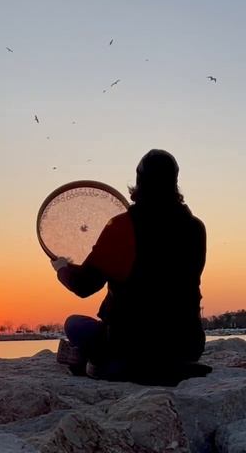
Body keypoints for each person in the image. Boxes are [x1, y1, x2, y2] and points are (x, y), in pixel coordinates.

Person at [51, 149, 212, 384]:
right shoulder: (196, 227)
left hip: (129, 346)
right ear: (175, 183)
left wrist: (62, 268)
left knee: (74, 323)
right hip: (187, 346)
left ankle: (95, 362)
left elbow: (84, 286)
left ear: (138, 184)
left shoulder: (122, 227)